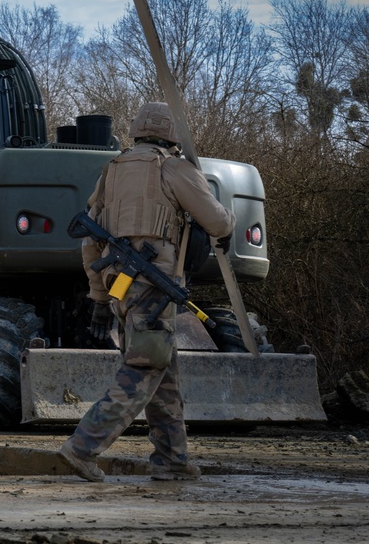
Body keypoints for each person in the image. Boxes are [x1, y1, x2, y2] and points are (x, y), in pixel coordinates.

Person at [59, 102, 235, 482]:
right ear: (172, 136)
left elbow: (89, 240)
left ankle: (171, 461)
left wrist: (100, 297)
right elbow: (218, 223)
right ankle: (82, 446)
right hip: (152, 285)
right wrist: (231, 217)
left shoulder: (111, 172)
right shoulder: (173, 168)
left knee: (163, 372)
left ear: (137, 131)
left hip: (119, 282)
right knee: (144, 368)